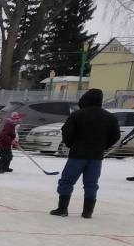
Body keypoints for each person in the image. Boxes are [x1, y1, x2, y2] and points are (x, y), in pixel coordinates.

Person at [50, 88, 121, 219]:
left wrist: (71, 144)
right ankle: (87, 212)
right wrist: (103, 146)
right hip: (96, 156)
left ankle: (62, 208)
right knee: (91, 184)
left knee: (67, 181)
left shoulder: (77, 115)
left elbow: (67, 132)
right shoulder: (109, 117)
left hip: (77, 154)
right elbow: (116, 136)